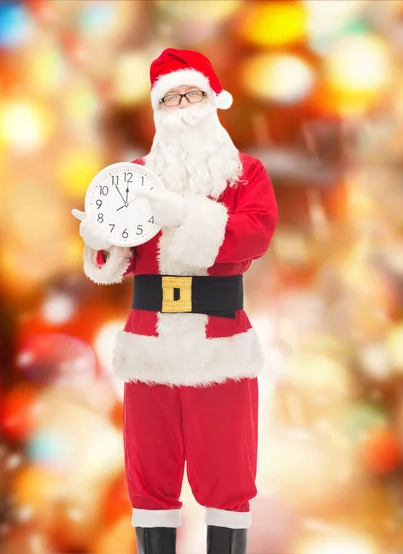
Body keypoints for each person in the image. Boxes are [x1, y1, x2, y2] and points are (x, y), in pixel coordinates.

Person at [72, 48, 278, 554]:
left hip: (220, 342)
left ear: (213, 101)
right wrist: (100, 241)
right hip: (150, 343)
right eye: (171, 97)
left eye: (192, 94)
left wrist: (184, 213)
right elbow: (120, 255)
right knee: (150, 471)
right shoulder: (134, 178)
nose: (183, 106)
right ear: (158, 110)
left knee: (228, 471)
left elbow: (254, 234)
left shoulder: (245, 173)